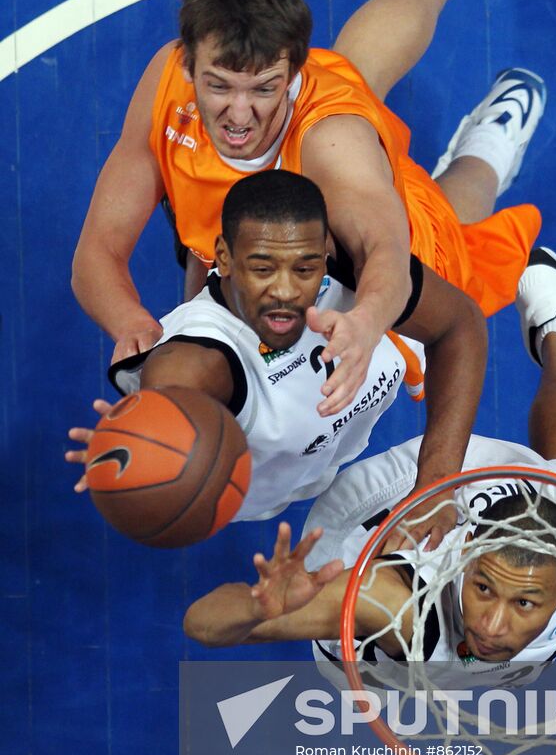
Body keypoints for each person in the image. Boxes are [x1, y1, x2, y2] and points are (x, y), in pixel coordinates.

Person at [71, 0, 548, 417]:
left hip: (378, 230)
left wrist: (367, 321)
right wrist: (132, 323)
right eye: (219, 85)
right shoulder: (168, 80)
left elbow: (384, 252)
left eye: (264, 88)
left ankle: (488, 140)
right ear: (188, 64)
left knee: (454, 229)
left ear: (295, 73)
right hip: (243, 235)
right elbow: (97, 251)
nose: (238, 113)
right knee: (357, 64)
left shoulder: (333, 138)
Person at [182, 248, 556, 676]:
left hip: (518, 507)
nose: (491, 626)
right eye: (483, 588)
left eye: (523, 604)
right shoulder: (395, 608)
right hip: (384, 516)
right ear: (468, 555)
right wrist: (261, 608)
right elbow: (201, 624)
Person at [67, 168, 487, 541]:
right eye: (263, 269)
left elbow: (459, 325)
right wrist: (144, 443)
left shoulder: (355, 261)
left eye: (305, 269)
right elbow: (179, 386)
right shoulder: (195, 362)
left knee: (460, 215)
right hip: (284, 465)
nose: (285, 293)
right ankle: (194, 234)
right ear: (226, 257)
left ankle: (490, 140)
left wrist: (437, 485)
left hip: (387, 333)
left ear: (324, 252)